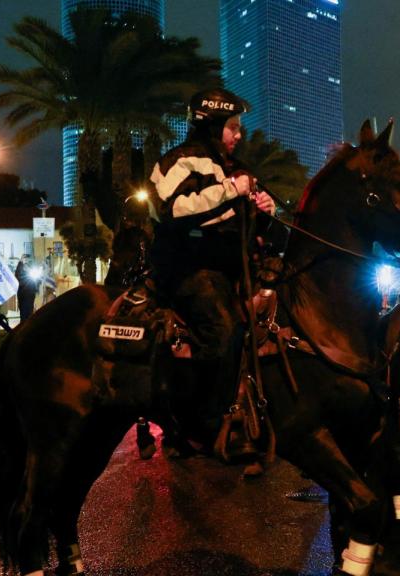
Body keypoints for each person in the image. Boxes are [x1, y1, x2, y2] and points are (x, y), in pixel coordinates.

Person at [148, 88, 276, 438]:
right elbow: (170, 209)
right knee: (225, 329)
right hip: (190, 270)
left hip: (237, 270)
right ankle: (202, 420)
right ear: (212, 124)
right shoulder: (177, 161)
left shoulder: (237, 168)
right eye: (233, 126)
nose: (239, 134)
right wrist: (232, 192)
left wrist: (265, 211)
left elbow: (249, 226)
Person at [15, 256, 38, 322]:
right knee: (24, 318)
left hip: (30, 299)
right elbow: (18, 274)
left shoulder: (31, 275)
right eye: (25, 264)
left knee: (29, 317)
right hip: (23, 299)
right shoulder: (22, 275)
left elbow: (37, 283)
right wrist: (20, 262)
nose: (27, 265)